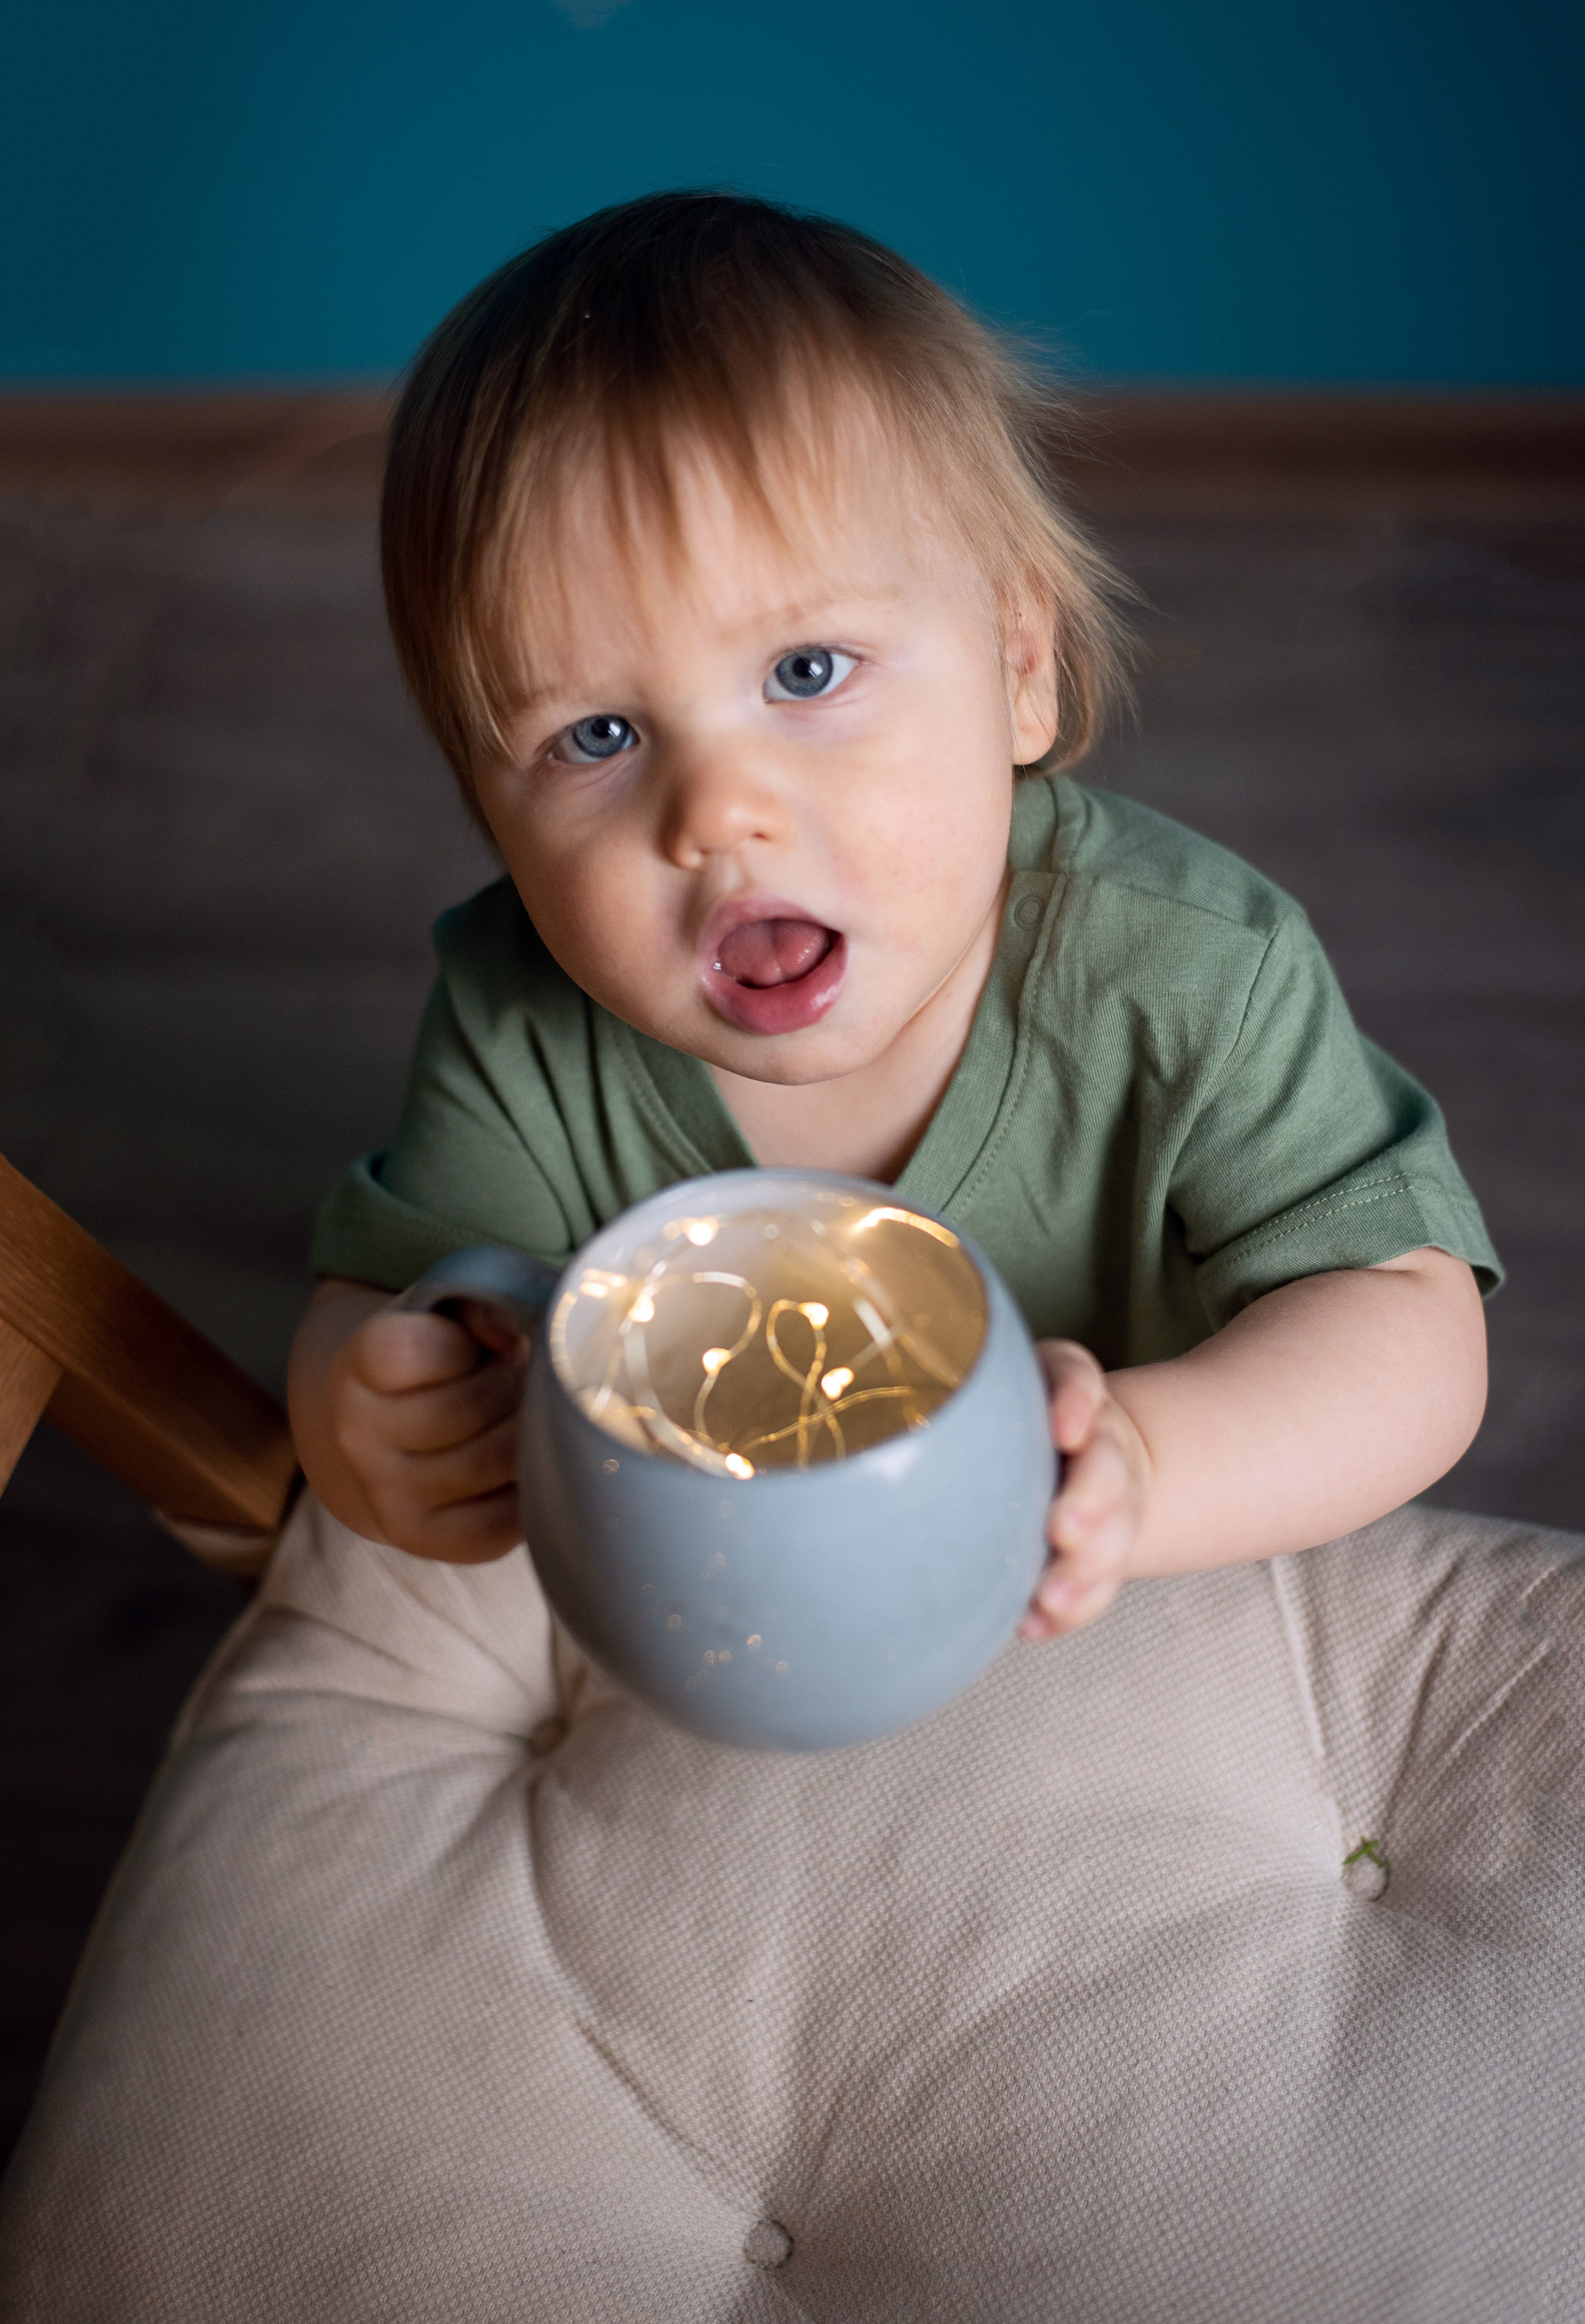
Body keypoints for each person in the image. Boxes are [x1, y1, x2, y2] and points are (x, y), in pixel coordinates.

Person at [288, 190, 1498, 1644]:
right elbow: (383, 1299)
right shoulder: (517, 1016)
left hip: (1137, 1585)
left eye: (805, 672)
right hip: (735, 1615)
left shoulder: (1187, 972)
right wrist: (367, 1404)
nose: (713, 813)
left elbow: (1410, 1328)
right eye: (598, 736)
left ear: (1017, 666)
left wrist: (1147, 1461)